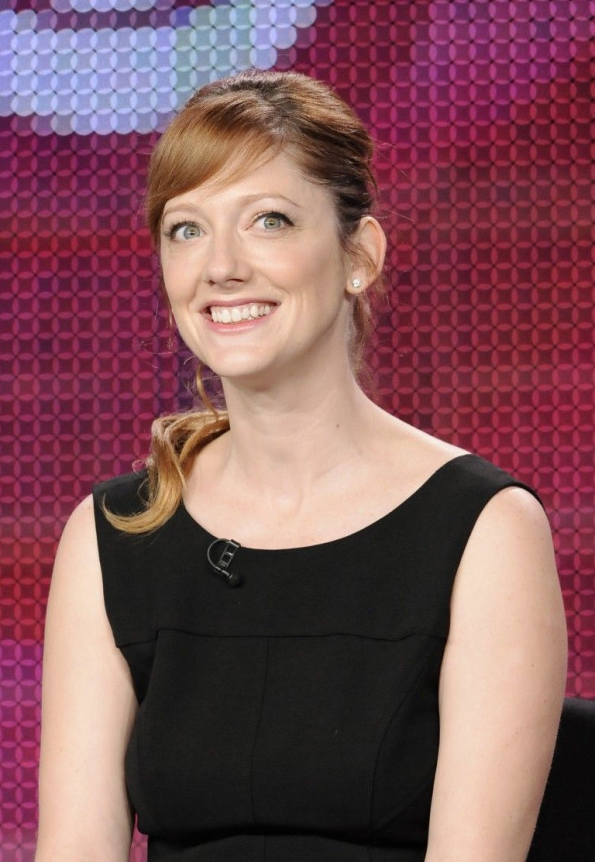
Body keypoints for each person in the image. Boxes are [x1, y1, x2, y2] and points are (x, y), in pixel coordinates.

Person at [35, 69, 568, 861]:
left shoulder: (485, 531)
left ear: (360, 254)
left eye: (269, 220)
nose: (220, 268)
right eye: (186, 229)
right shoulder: (112, 534)